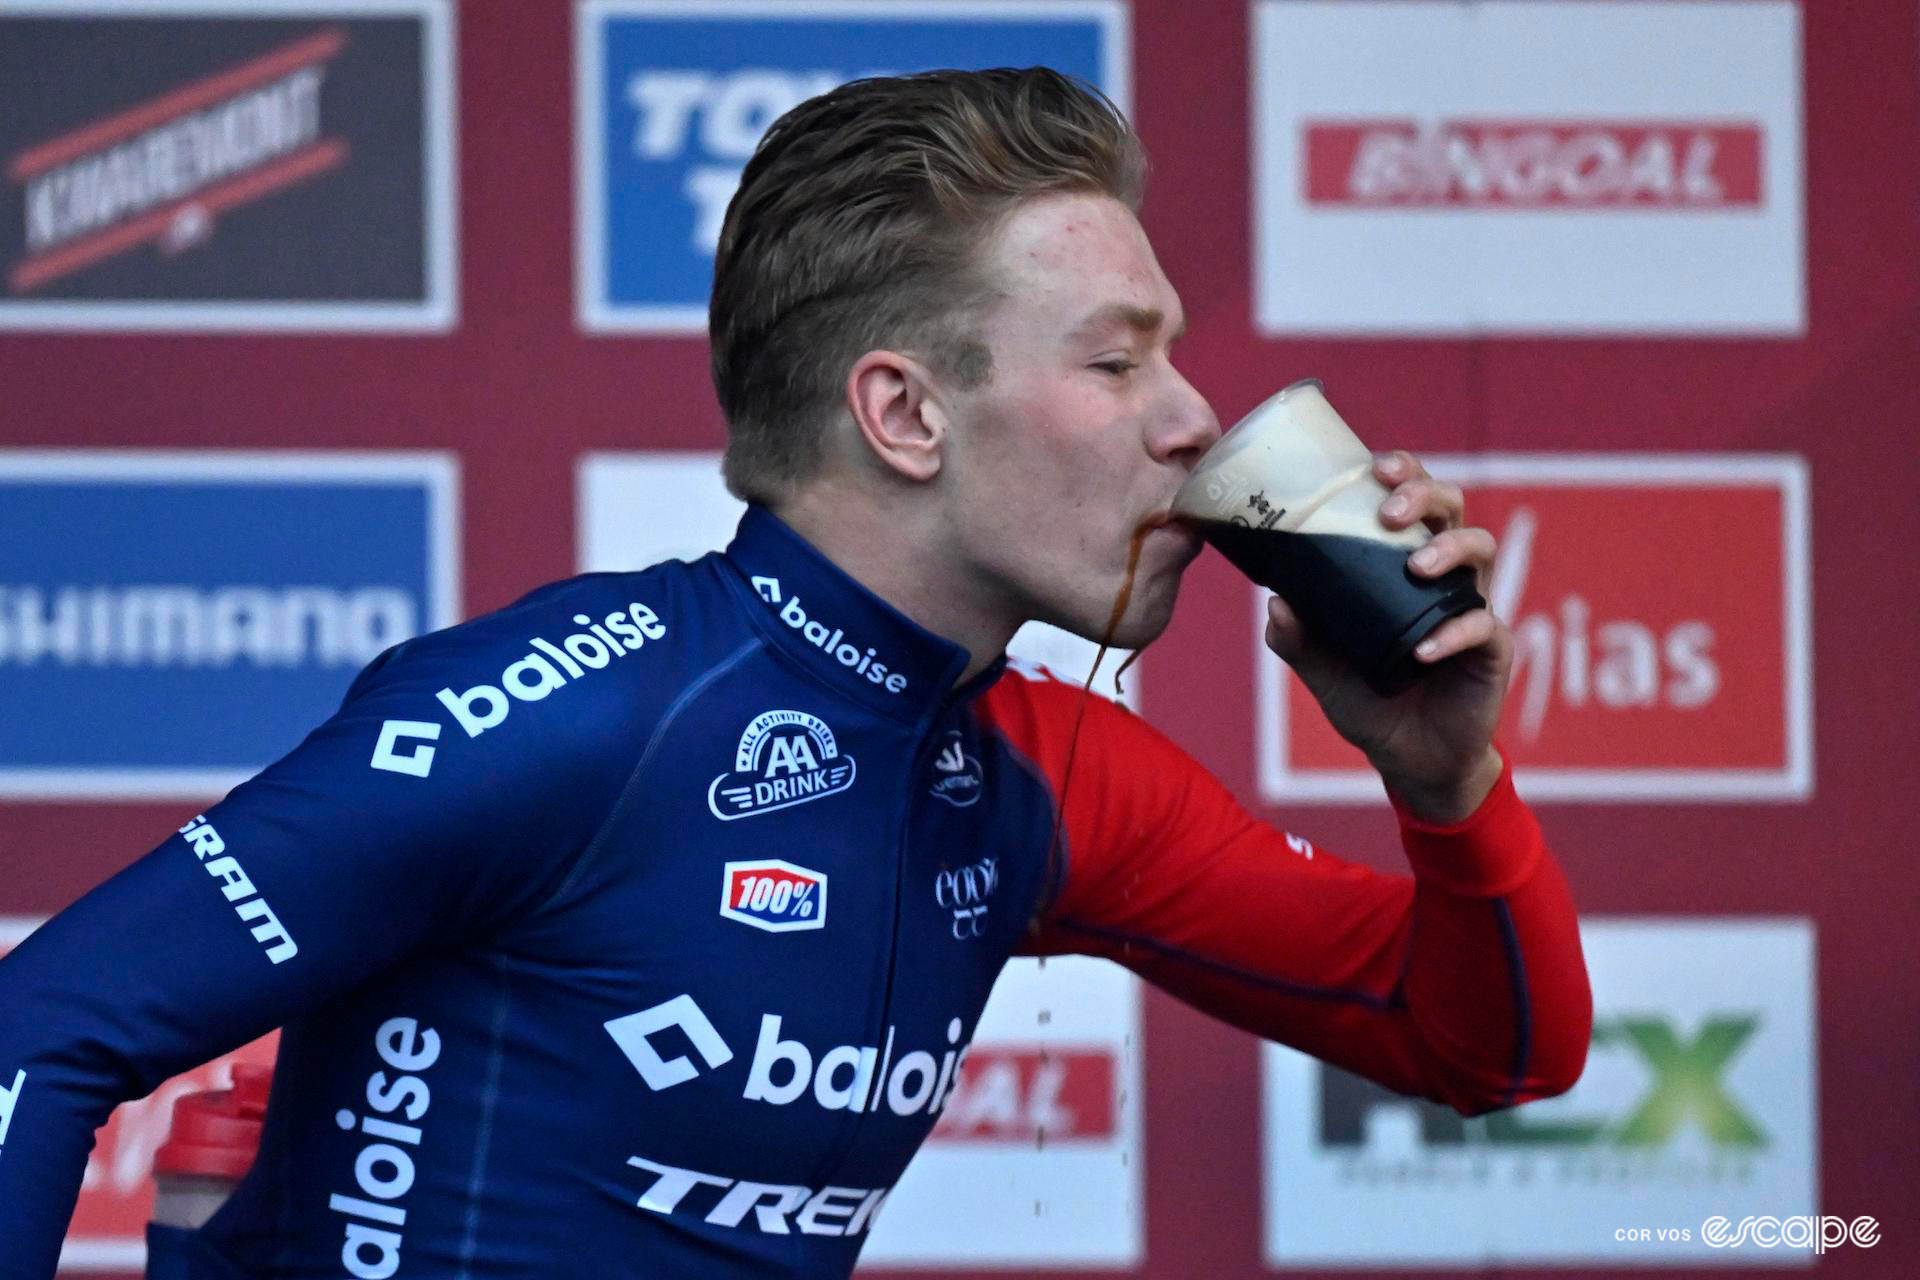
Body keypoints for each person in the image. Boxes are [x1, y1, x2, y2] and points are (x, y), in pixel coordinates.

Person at [0, 68, 1589, 1279]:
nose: (1193, 420)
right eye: (1117, 362)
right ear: (904, 415)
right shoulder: (576, 714)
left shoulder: (1045, 777)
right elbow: (41, 1033)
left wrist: (1445, 782)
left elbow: (1486, 1048)